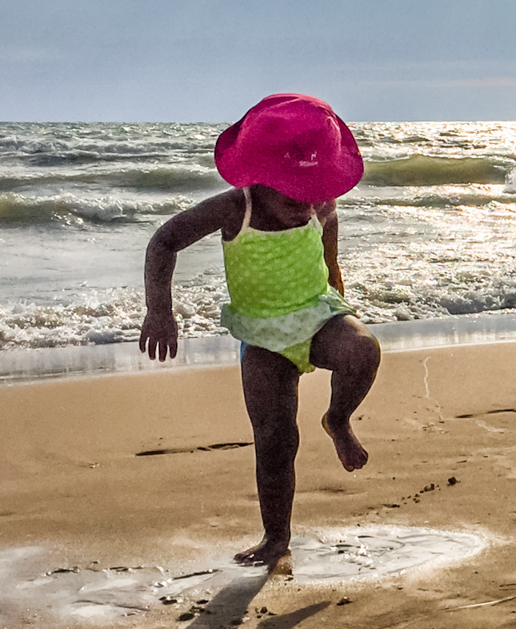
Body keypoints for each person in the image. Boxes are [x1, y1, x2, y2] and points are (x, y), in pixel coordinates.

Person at [139, 94, 380, 567]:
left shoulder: (321, 203)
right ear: (261, 178)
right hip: (264, 337)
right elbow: (164, 240)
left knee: (363, 351)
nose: (307, 208)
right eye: (295, 198)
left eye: (315, 195)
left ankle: (338, 418)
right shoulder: (236, 208)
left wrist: (338, 296)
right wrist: (160, 311)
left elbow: (329, 256)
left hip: (316, 316)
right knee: (275, 440)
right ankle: (276, 537)